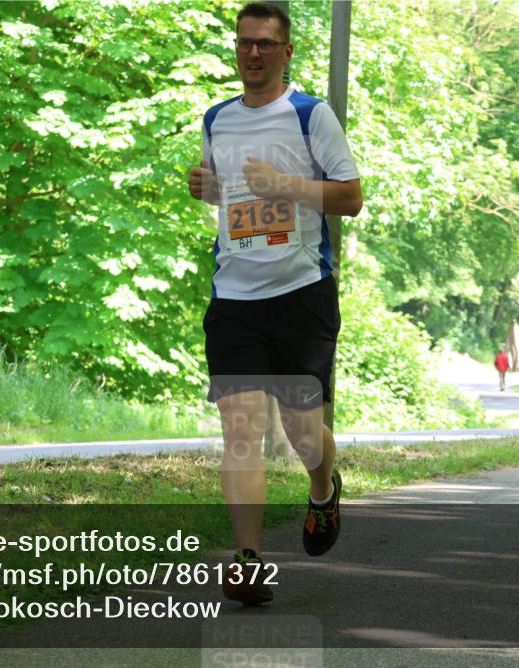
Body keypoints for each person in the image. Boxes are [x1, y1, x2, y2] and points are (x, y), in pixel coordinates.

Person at [188, 2, 363, 605]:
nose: (252, 53)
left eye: (264, 43)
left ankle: (322, 489)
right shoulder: (218, 119)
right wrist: (206, 189)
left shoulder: (311, 115)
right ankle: (248, 560)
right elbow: (229, 199)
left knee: (301, 432)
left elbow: (350, 197)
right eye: (244, 43)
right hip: (235, 295)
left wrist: (285, 185)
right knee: (239, 427)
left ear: (286, 51)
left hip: (301, 295)